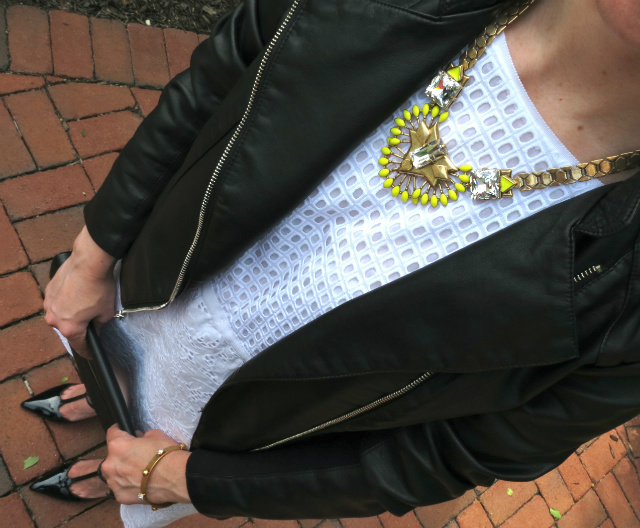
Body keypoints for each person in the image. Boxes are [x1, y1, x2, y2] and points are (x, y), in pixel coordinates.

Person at [21, 0, 640, 526]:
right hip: (154, 295)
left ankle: (113, 471)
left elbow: (459, 452)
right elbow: (215, 84)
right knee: (118, 370)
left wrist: (184, 479)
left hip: (247, 426)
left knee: (136, 455)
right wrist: (92, 256)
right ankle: (99, 392)